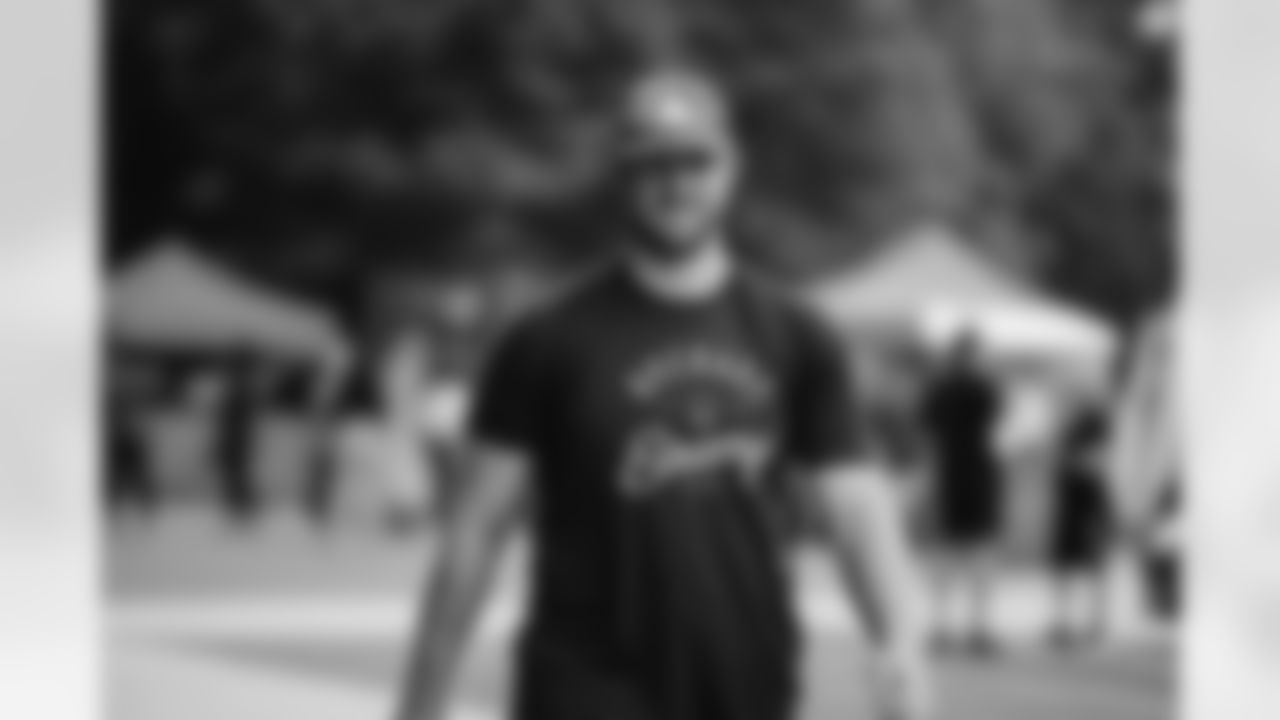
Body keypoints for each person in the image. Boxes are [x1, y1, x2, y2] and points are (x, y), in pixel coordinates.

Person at [394, 67, 930, 720]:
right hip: (583, 692)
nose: (676, 184)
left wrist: (899, 639)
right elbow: (474, 532)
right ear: (622, 176)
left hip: (746, 689)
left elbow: (857, 512)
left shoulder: (796, 336)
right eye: (654, 165)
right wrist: (421, 703)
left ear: (732, 167)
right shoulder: (545, 341)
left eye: (695, 162)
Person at [920, 332, 1003, 655]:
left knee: (946, 553)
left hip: (949, 474)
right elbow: (998, 433)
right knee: (978, 553)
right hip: (978, 475)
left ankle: (942, 625)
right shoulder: (985, 388)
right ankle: (977, 627)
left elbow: (927, 432)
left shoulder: (940, 388)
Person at [1046, 393, 1115, 649]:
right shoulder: (1079, 446)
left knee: (1081, 569)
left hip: (1081, 511)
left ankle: (1083, 622)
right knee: (1079, 569)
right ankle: (1078, 622)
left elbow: (1089, 471)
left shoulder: (1082, 445)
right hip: (1077, 511)